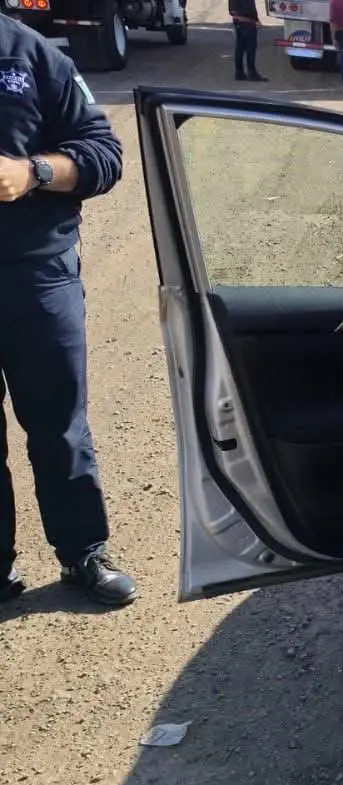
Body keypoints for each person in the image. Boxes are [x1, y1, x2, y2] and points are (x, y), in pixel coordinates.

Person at [0, 16, 135, 607]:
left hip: (35, 275)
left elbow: (104, 154)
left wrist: (33, 172)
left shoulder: (26, 53)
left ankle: (83, 553)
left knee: (59, 426)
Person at [229, 0, 269, 82]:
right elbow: (250, 9)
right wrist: (256, 19)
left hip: (237, 20)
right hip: (247, 21)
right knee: (250, 47)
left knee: (239, 47)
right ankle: (252, 72)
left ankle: (239, 71)